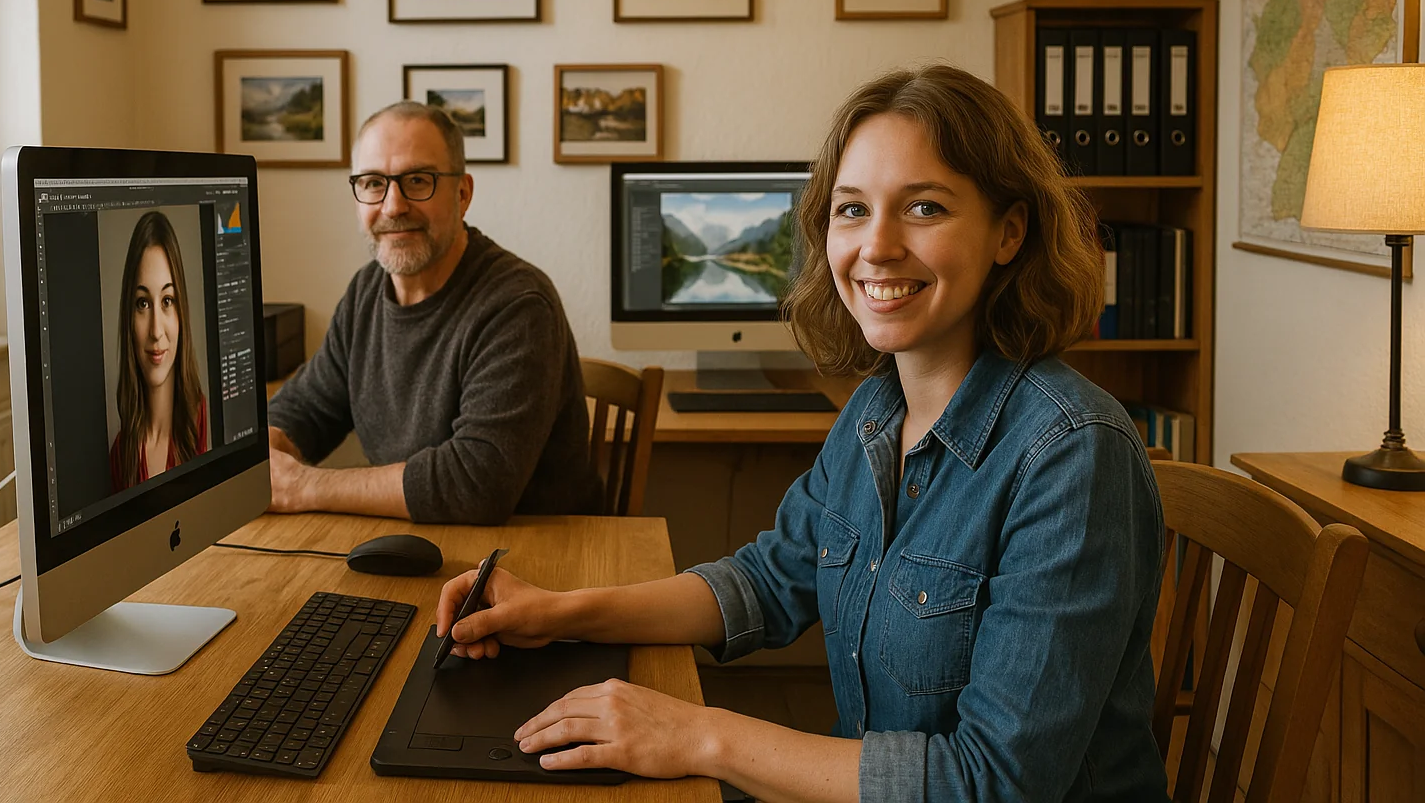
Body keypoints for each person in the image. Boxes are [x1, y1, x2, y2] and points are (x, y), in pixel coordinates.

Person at [433, 66, 1169, 801]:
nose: (875, 246)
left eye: (924, 207)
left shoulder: (1073, 453)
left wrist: (698, 733)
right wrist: (560, 613)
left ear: (1008, 232)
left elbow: (994, 783)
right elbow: (769, 581)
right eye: (852, 209)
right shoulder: (875, 409)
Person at [266, 101, 600, 524]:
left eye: (418, 180)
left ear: (462, 194)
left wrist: (304, 487)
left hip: (535, 561)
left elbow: (477, 483)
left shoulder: (518, 305)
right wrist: (265, 458)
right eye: (372, 183)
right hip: (419, 543)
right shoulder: (367, 290)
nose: (392, 206)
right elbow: (307, 409)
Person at [109, 210, 209, 493]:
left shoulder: (203, 421)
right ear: (128, 318)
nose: (155, 330)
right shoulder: (121, 454)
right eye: (142, 303)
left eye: (167, 300)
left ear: (181, 312)